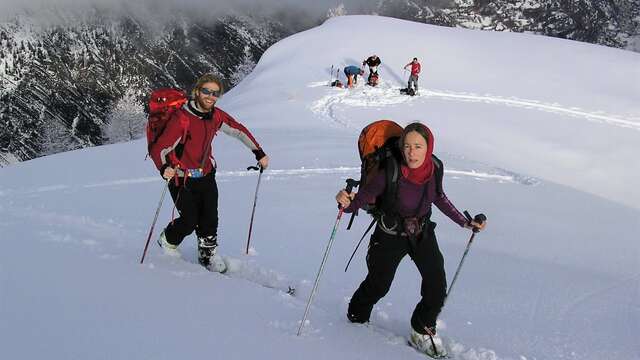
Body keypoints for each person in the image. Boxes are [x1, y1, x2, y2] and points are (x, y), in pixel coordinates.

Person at [335, 122, 485, 357]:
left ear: (429, 147)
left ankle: (421, 328)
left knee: (436, 284)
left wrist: (464, 222)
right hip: (389, 235)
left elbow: (439, 196)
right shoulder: (390, 170)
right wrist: (345, 202)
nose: (412, 152)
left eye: (418, 146)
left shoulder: (435, 167)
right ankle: (356, 315)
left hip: (421, 233)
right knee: (378, 284)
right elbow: (362, 198)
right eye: (407, 146)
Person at [149, 73, 269, 273]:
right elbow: (159, 148)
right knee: (189, 220)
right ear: (197, 91)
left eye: (215, 93)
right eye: (206, 91)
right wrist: (163, 168)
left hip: (206, 174)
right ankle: (168, 240)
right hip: (180, 178)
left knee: (210, 217)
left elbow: (237, 129)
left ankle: (207, 253)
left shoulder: (215, 115)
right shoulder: (182, 119)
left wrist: (258, 151)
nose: (210, 96)